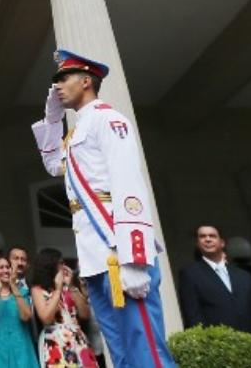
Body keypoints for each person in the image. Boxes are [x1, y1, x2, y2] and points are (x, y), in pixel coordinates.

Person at [32, 50, 175, 368]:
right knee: (120, 352)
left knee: (145, 348)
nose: (57, 87)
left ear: (86, 81)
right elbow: (53, 164)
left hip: (119, 250)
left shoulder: (109, 119)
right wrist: (52, 118)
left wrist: (135, 258)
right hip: (96, 256)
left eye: (63, 78)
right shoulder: (76, 131)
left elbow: (128, 185)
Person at [176, 224, 251, 344]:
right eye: (202, 236)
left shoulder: (244, 276)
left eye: (212, 236)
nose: (207, 239)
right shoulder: (190, 274)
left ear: (222, 243)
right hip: (218, 348)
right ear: (198, 244)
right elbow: (192, 317)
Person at [30, 248, 94, 368]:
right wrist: (58, 289)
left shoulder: (69, 286)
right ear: (51, 265)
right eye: (61, 263)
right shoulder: (38, 289)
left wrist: (71, 287)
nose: (64, 266)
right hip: (56, 341)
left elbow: (85, 314)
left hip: (78, 339)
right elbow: (46, 318)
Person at [0, 253, 39, 368]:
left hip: (21, 346)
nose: (5, 270)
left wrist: (13, 286)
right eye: (1, 267)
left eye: (8, 267)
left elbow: (26, 316)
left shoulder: (22, 291)